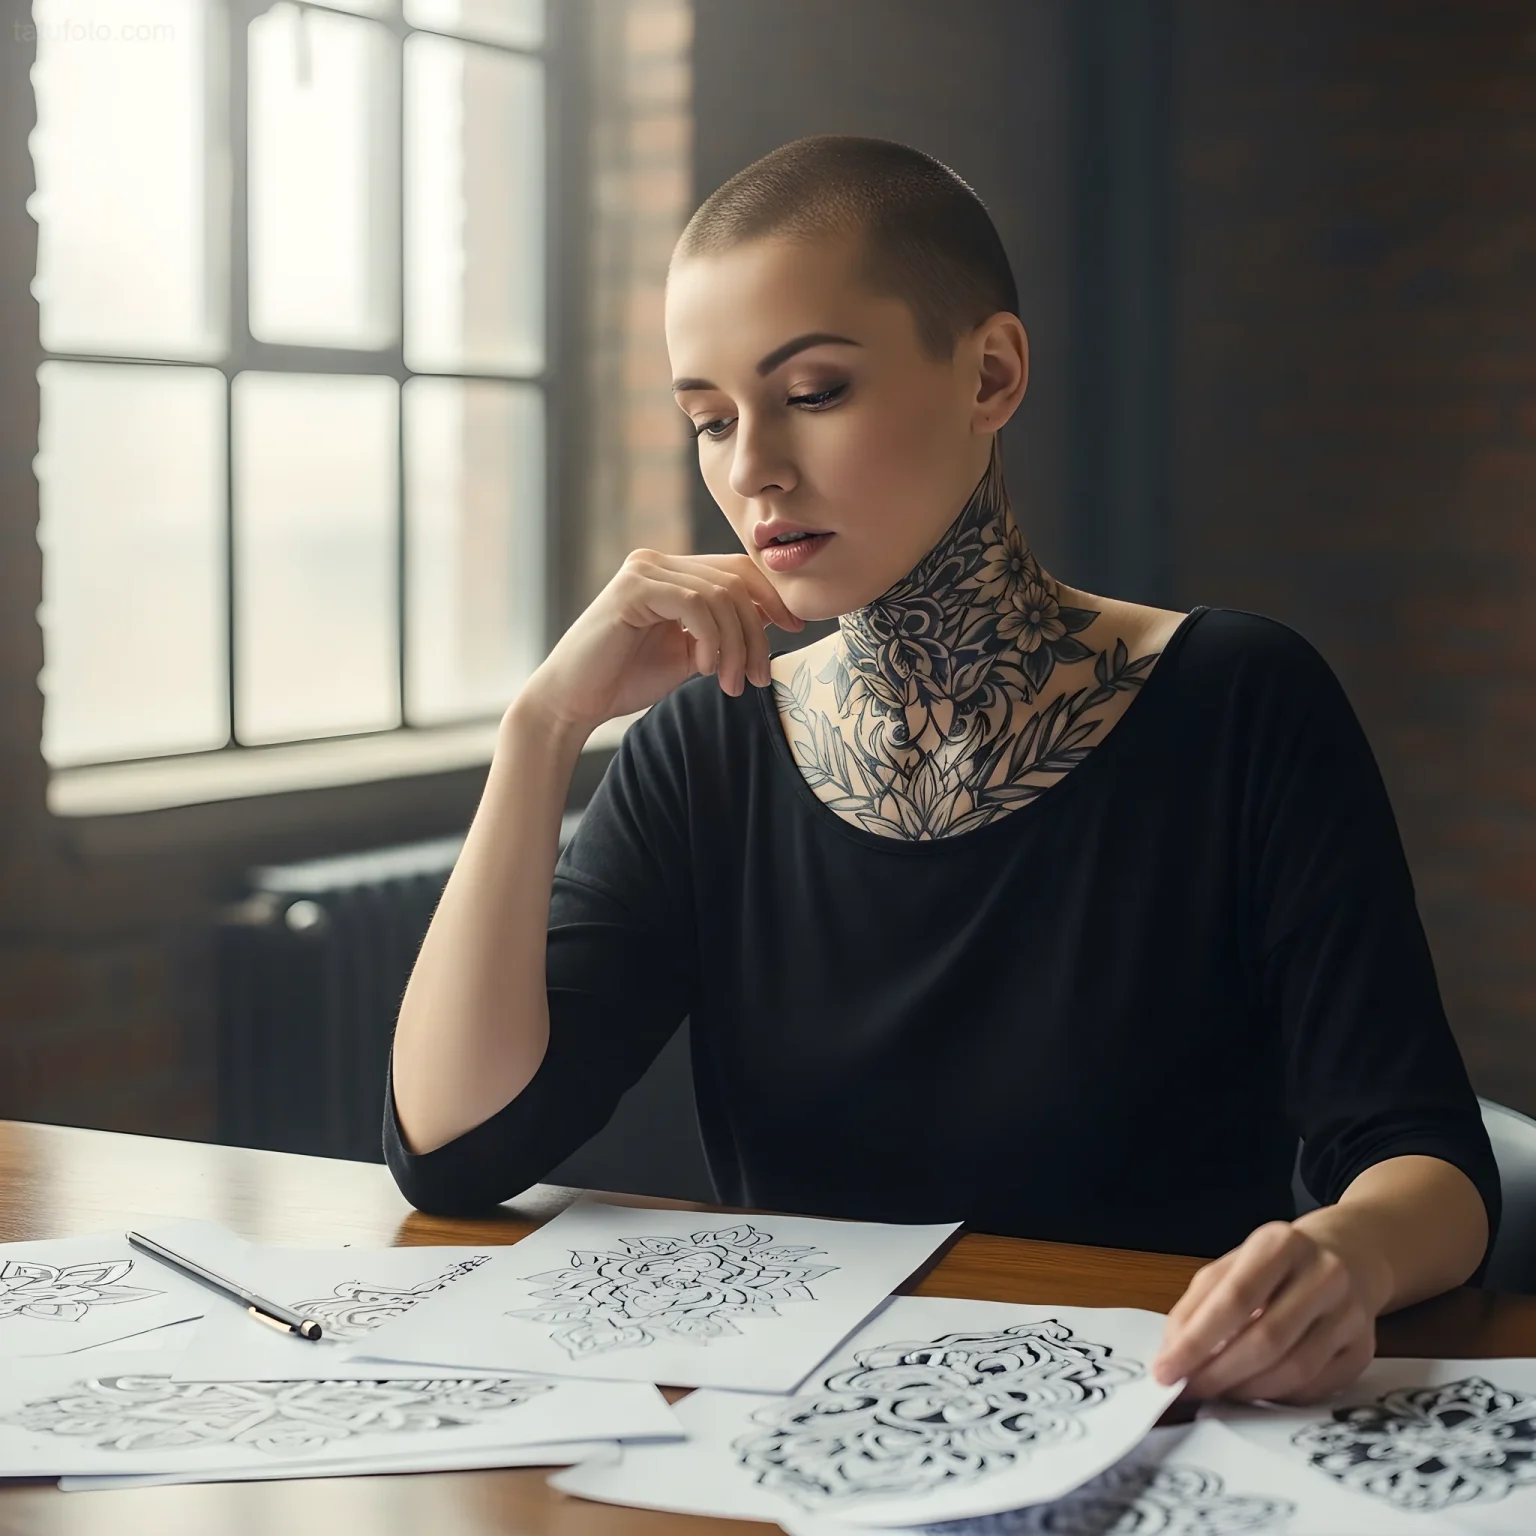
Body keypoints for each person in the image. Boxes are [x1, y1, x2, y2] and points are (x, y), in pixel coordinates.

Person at [384, 135, 1499, 1405]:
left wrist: (1341, 1255)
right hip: (802, 1443)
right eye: (708, 419)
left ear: (990, 372)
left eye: (812, 392)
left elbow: (1428, 1163)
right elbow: (455, 1153)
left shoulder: (1238, 701)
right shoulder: (711, 747)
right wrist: (541, 727)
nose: (751, 468)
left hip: (1169, 1418)